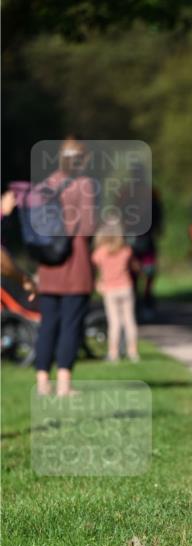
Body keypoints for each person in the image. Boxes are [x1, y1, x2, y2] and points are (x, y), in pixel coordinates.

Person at [33, 138, 96, 397]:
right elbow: (90, 225)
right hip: (75, 265)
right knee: (71, 324)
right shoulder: (85, 185)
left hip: (48, 266)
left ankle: (42, 382)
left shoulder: (46, 185)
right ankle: (64, 384)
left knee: (48, 323)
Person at [116, 163, 163, 321]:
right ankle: (140, 304)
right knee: (137, 274)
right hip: (135, 237)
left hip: (142, 237)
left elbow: (158, 213)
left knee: (142, 273)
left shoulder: (150, 192)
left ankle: (143, 303)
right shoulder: (127, 192)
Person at [91, 212, 139, 362]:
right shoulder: (126, 251)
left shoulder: (99, 253)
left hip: (110, 290)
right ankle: (133, 352)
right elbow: (135, 267)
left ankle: (113, 353)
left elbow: (96, 269)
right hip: (126, 287)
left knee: (114, 323)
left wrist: (99, 282)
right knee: (129, 321)